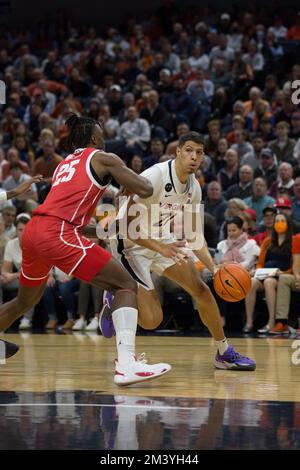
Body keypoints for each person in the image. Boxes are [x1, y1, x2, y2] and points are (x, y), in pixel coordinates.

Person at [0, 114, 171, 385]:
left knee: (25, 301)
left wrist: (107, 230)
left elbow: (74, 222)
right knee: (125, 285)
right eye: (101, 132)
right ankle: (127, 364)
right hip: (56, 232)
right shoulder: (104, 158)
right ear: (93, 137)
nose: (105, 137)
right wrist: (127, 183)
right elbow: (147, 187)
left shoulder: (63, 165)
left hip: (36, 231)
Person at [102, 132, 256, 371]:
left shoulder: (193, 187)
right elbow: (125, 226)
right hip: (129, 243)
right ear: (178, 152)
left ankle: (223, 352)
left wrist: (215, 268)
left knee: (202, 289)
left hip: (163, 238)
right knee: (152, 320)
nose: (194, 157)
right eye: (189, 150)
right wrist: (160, 247)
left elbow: (195, 236)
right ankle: (116, 297)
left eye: (200, 152)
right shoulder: (155, 176)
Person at [244, 213, 293, 334]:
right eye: (277, 221)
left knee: (269, 282)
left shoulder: (293, 242)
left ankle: (271, 322)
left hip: (280, 275)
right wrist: (258, 270)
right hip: (265, 273)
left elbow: (294, 265)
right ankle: (249, 322)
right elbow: (260, 262)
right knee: (251, 282)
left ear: (288, 224)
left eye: (282, 221)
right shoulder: (267, 241)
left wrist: (283, 272)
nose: (279, 224)